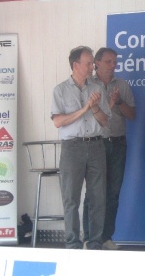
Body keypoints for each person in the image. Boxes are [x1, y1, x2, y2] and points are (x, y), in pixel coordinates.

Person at [51, 46, 111, 250]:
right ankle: (72, 244)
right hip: (72, 148)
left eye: (92, 62)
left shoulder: (97, 87)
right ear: (76, 65)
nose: (92, 66)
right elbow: (58, 121)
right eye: (88, 63)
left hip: (96, 146)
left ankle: (95, 243)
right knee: (71, 198)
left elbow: (105, 122)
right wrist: (85, 108)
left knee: (98, 198)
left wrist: (94, 108)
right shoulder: (60, 90)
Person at [83, 48, 136, 250]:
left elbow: (132, 115)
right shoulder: (89, 85)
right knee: (93, 193)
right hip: (96, 142)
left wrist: (119, 102)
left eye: (115, 61)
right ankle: (89, 237)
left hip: (118, 142)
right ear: (96, 63)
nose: (113, 65)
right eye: (108, 61)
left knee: (113, 192)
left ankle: (105, 237)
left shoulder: (122, 85)